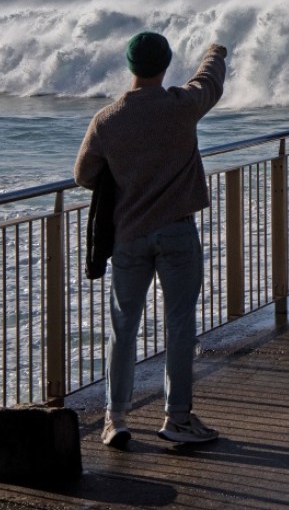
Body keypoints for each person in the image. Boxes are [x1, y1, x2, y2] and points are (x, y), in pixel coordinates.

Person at [73, 33, 227, 448]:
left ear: (130, 66)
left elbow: (84, 175)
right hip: (177, 231)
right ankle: (177, 418)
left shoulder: (107, 119)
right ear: (165, 64)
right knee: (179, 326)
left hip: (128, 234)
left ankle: (115, 419)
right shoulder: (181, 106)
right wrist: (215, 52)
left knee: (123, 327)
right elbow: (208, 82)